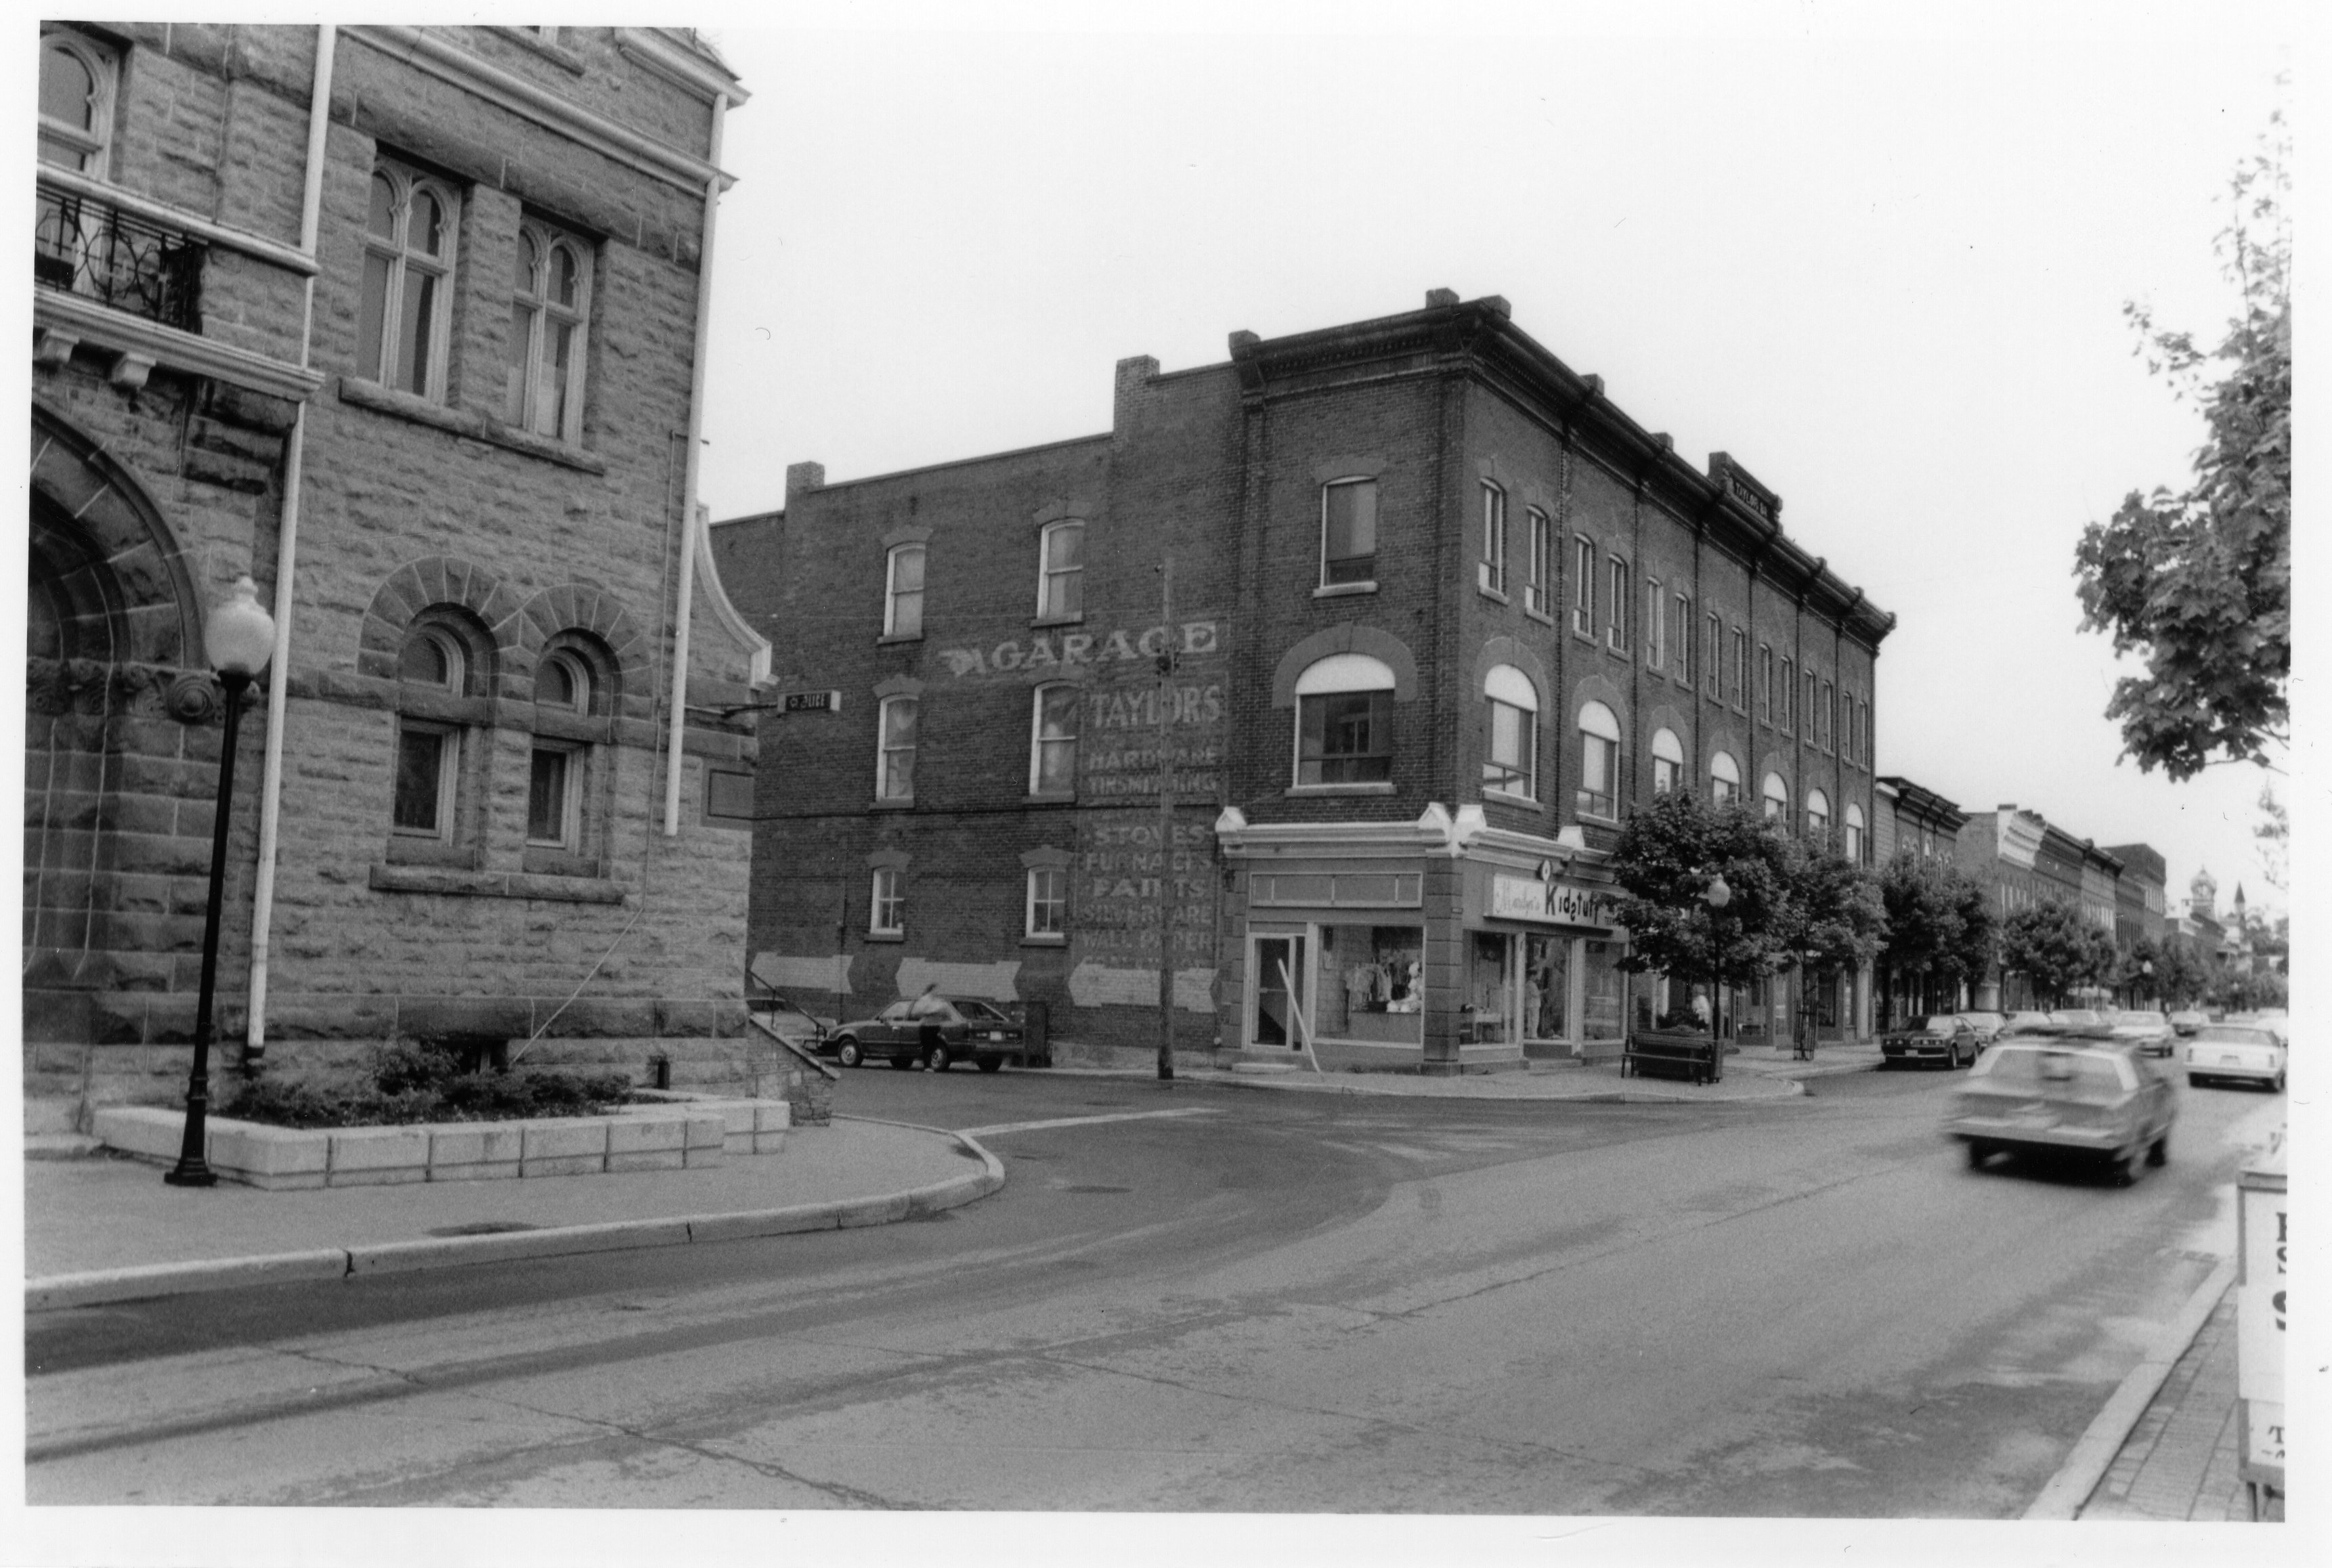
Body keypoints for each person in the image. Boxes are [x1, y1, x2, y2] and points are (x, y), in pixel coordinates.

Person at [909, 982, 949, 1068]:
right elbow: (917, 1012)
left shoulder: (938, 1001)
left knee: (934, 1046)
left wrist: (943, 1013)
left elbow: (946, 1013)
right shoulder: (924, 999)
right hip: (926, 1026)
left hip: (936, 1026)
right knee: (927, 1046)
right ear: (932, 989)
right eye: (936, 989)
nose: (938, 992)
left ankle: (929, 1064)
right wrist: (930, 1012)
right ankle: (927, 1066)